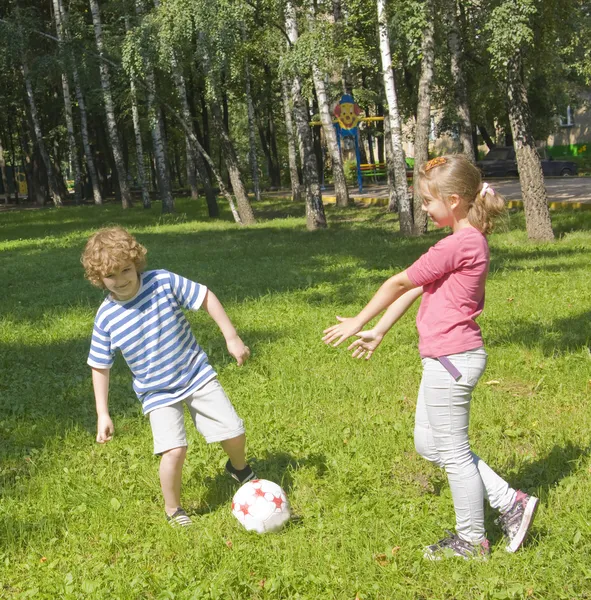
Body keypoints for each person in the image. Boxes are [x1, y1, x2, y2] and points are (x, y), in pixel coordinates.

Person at [323, 155, 538, 559]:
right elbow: (414, 289)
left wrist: (357, 319)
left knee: (454, 453)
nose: (423, 208)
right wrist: (379, 330)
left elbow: (397, 280)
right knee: (428, 443)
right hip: (445, 359)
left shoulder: (461, 243)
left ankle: (472, 540)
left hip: (453, 359)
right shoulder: (460, 242)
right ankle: (511, 501)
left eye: (427, 201)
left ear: (454, 200)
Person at [82, 227, 256, 527]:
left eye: (127, 269)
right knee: (174, 450)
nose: (122, 279)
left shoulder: (162, 281)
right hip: (156, 391)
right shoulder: (106, 317)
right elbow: (100, 366)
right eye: (112, 276)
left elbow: (206, 297)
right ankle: (174, 509)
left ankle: (239, 469)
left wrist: (232, 337)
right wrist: (102, 413)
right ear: (99, 279)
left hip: (195, 372)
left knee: (234, 431)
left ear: (136, 263)